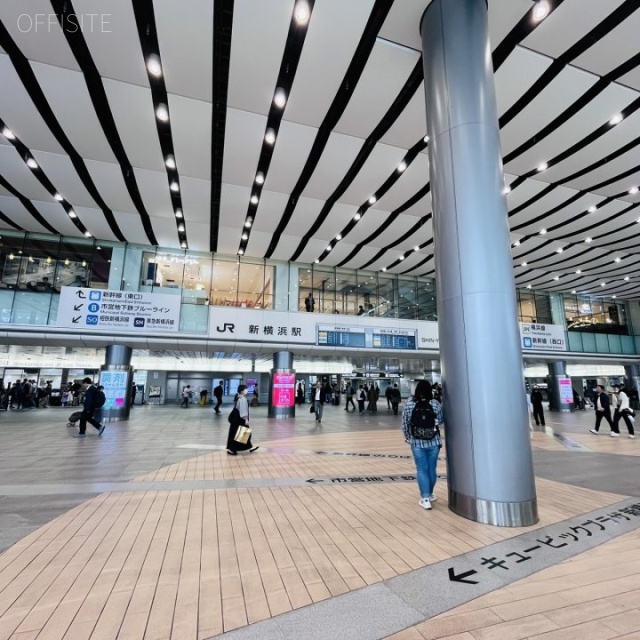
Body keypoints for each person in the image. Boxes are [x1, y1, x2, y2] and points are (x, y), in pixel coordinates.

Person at [402, 380, 443, 510]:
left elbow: (405, 424)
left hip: (417, 442)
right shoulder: (435, 403)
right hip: (434, 442)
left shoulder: (409, 404)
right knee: (431, 469)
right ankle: (430, 495)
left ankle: (425, 499)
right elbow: (440, 420)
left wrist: (408, 438)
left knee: (421, 469)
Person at [226, 384, 259, 455]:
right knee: (244, 433)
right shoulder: (243, 399)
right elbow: (243, 410)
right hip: (241, 419)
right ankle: (234, 449)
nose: (247, 390)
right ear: (241, 391)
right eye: (245, 389)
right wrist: (246, 419)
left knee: (243, 433)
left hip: (237, 420)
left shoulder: (239, 397)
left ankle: (248, 447)